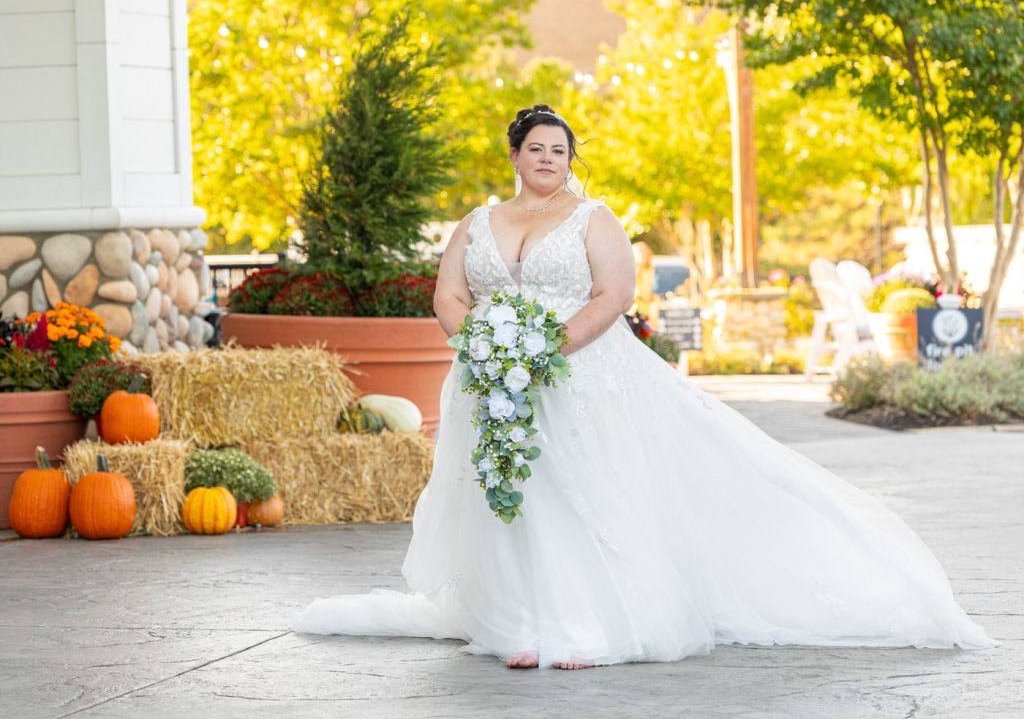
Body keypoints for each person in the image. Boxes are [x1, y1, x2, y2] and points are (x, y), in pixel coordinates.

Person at [292, 104, 995, 670]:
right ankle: (520, 622)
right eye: (536, 148)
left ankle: (584, 621)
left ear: (570, 160)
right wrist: (482, 342)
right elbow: (449, 294)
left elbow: (612, 295)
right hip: (490, 378)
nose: (547, 159)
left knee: (579, 492)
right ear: (514, 155)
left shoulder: (593, 219)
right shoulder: (476, 224)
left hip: (578, 378)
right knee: (511, 496)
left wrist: (543, 348)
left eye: (559, 151)